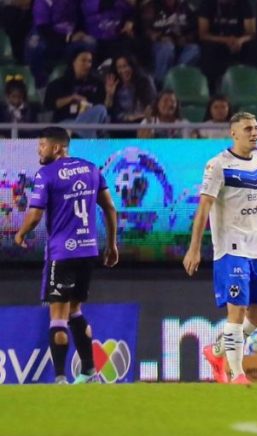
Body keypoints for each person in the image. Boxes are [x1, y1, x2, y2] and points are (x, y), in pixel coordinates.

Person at [182, 111, 257, 385]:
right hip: (231, 249)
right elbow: (204, 208)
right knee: (237, 311)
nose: (254, 132)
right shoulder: (217, 165)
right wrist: (194, 248)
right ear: (233, 134)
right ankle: (237, 373)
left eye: (256, 128)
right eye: (248, 129)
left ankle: (217, 351)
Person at [13, 127, 119, 384]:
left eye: (42, 145)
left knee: (58, 314)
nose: (39, 150)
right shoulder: (91, 169)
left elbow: (35, 214)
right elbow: (109, 207)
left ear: (57, 148)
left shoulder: (46, 174)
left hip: (62, 252)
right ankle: (89, 372)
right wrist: (112, 245)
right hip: (88, 250)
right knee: (76, 310)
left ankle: (60, 379)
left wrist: (20, 233)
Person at [197, 0, 257, 93]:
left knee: (255, 48)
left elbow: (251, 33)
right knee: (208, 49)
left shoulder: (244, 4)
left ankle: (252, 82)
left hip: (239, 42)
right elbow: (203, 34)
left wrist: (240, 40)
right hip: (217, 41)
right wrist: (225, 40)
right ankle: (212, 88)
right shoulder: (207, 3)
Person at [43, 48, 110, 137]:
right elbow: (49, 105)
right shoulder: (58, 84)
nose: (87, 65)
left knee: (101, 109)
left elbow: (102, 111)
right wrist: (71, 98)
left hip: (89, 122)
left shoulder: (97, 84)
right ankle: (86, 141)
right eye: (83, 60)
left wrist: (109, 94)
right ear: (73, 62)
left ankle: (78, 134)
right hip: (65, 123)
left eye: (89, 61)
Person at [139, 0, 200, 85]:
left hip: (179, 44)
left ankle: (174, 79)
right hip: (159, 45)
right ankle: (159, 84)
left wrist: (185, 39)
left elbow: (195, 31)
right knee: (167, 48)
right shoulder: (151, 6)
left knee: (194, 49)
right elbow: (145, 31)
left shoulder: (185, 6)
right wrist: (160, 37)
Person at [103, 54, 157, 125]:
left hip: (143, 122)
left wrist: (137, 117)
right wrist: (109, 95)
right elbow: (108, 110)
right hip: (122, 125)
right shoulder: (116, 85)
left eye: (125, 66)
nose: (123, 70)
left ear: (132, 66)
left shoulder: (145, 82)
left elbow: (153, 107)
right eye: (119, 67)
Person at [81, 0, 137, 65]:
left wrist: (130, 21)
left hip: (116, 39)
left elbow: (132, 11)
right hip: (96, 40)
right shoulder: (89, 2)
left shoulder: (120, 3)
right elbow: (102, 4)